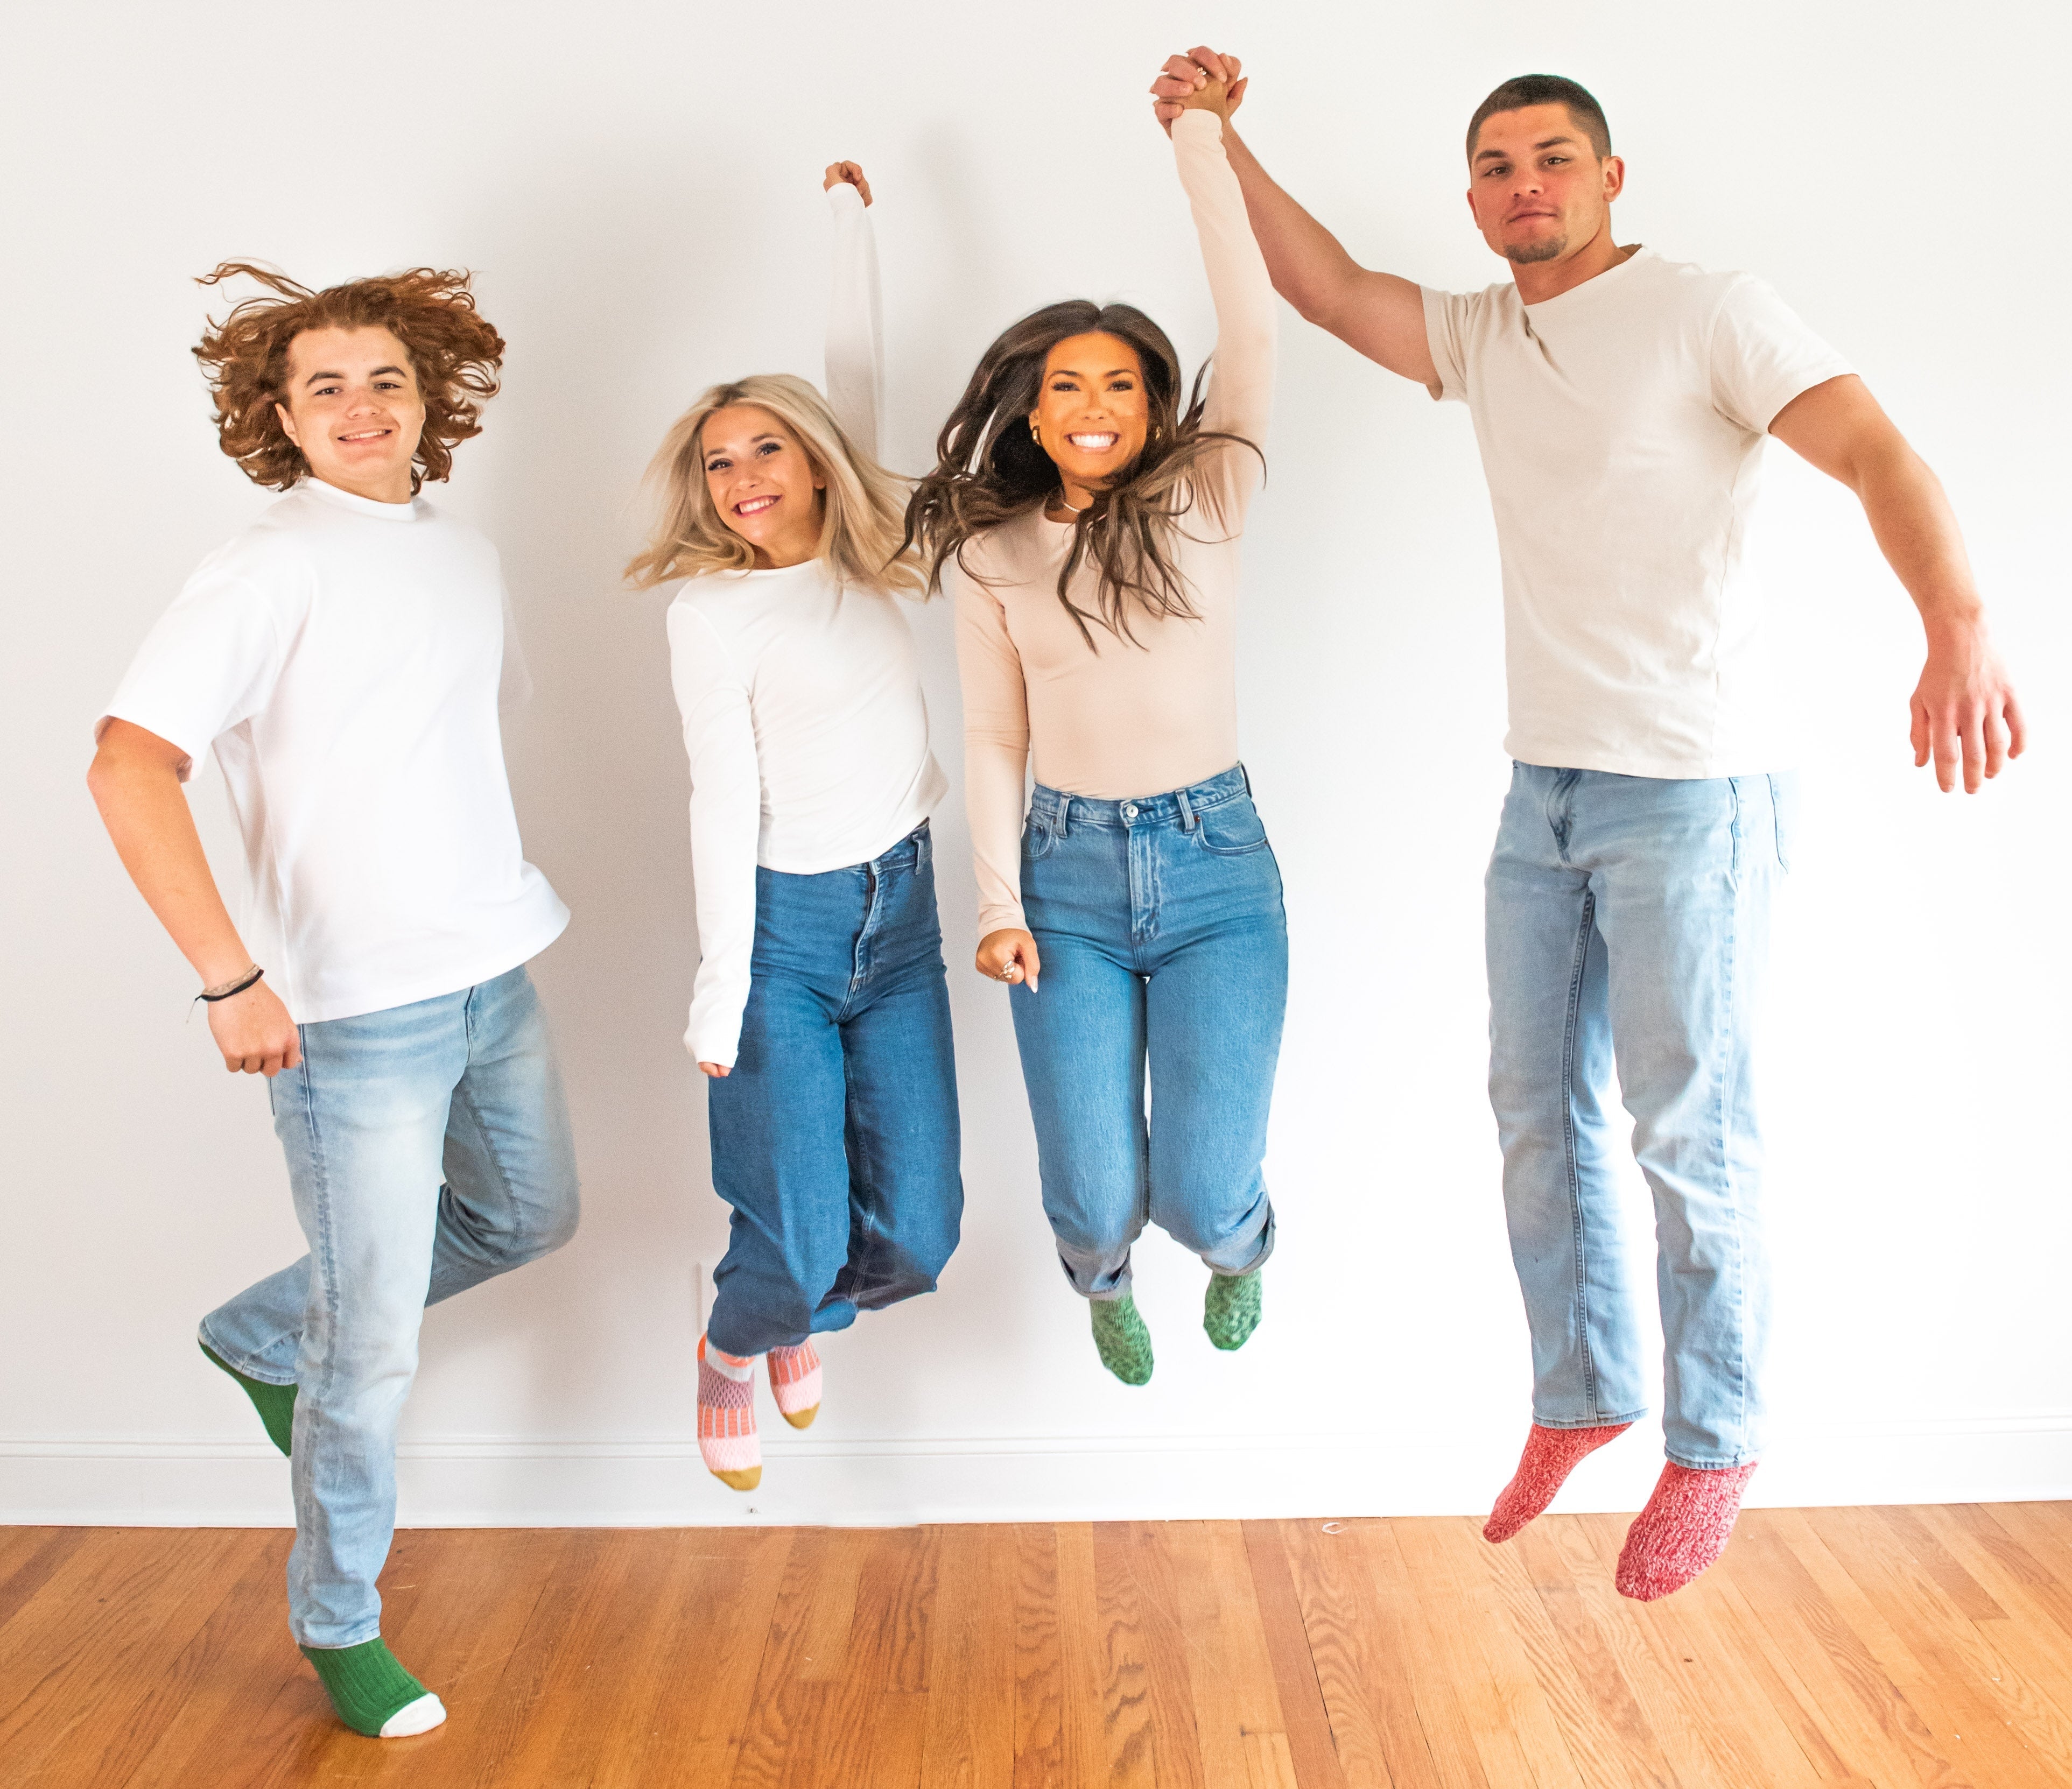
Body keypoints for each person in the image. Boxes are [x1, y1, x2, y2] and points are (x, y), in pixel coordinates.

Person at [1150, 53, 2024, 1596]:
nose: (1522, 185)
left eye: (1550, 157)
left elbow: (1877, 450)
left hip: (1694, 789)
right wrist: (1212, 134)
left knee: (1690, 1130)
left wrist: (1955, 622)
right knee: (1534, 1111)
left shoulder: (1708, 309)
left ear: (1610, 177)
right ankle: (1584, 1395)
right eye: (1492, 166)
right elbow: (1331, 285)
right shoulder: (1486, 335)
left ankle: (1718, 1437)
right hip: (1540, 786)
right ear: (1474, 197)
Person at [86, 264, 579, 1733]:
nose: (361, 409)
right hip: (351, 1013)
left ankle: (259, 1332)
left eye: (385, 380)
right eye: (325, 387)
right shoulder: (265, 565)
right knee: (367, 1348)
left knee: (529, 1215)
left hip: (493, 964)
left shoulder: (464, 553)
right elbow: (128, 763)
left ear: (432, 395)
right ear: (276, 416)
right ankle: (342, 1624)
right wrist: (229, 975)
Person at [906, 74, 1280, 1386]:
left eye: (1119, 383)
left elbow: (1249, 310)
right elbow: (994, 737)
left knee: (1203, 1177)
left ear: (1153, 400)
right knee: (1088, 1183)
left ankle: (1237, 1250)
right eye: (1066, 385)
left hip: (1215, 865)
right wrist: (998, 902)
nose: (1092, 405)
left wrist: (1197, 137)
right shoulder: (995, 549)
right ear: (1031, 406)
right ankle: (1100, 1284)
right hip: (1061, 877)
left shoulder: (1210, 489)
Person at [630, 162, 962, 1492]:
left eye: (767, 448)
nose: (742, 476)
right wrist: (721, 998)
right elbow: (721, 797)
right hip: (782, 936)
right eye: (717, 463)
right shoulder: (708, 615)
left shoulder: (862, 555)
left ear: (820, 463)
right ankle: (731, 1346)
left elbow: (851, 364)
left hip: (902, 919)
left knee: (921, 1232)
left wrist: (849, 220)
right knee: (793, 1225)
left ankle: (796, 1314)